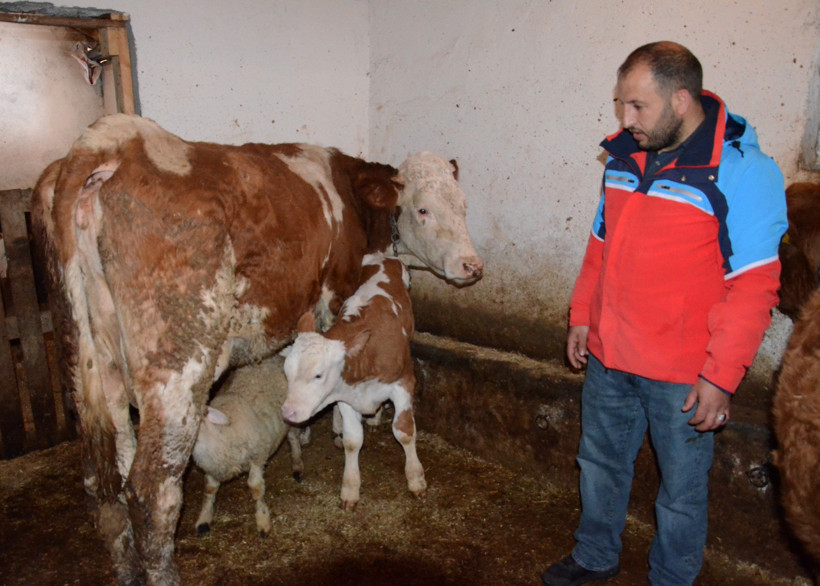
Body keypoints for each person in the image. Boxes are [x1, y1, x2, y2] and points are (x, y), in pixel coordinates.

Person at [541, 41, 787, 586]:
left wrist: (720, 376)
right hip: (610, 354)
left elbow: (753, 287)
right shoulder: (623, 159)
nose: (625, 121)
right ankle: (595, 555)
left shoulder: (742, 172)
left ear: (680, 100)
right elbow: (600, 245)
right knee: (598, 464)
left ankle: (672, 578)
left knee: (680, 490)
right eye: (620, 105)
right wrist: (582, 315)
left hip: (682, 372)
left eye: (637, 107)